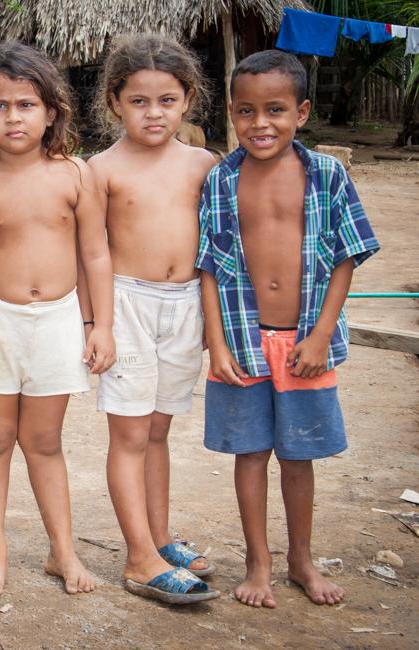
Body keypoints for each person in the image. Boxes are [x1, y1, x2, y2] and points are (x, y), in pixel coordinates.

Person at [197, 50, 379, 608]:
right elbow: (207, 263)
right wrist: (217, 341)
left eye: (275, 110)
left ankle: (302, 559)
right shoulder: (220, 180)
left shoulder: (326, 174)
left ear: (300, 112)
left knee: (298, 457)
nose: (260, 124)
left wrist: (322, 334)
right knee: (249, 454)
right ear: (232, 114)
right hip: (243, 342)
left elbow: (346, 255)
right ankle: (259, 563)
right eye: (246, 112)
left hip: (305, 345)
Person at [0, 41, 115, 597]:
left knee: (44, 442)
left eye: (26, 104)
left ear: (51, 111)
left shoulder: (75, 175)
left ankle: (61, 550)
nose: (13, 117)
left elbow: (95, 254)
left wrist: (101, 325)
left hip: (59, 321)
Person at [87, 34, 220, 605]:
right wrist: (99, 323)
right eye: (138, 100)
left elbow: (216, 251)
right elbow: (91, 252)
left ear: (187, 100)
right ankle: (139, 557)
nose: (153, 112)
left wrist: (215, 326)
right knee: (131, 432)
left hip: (185, 305)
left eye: (166, 100)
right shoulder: (101, 169)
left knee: (160, 430)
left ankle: (161, 538)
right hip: (128, 305)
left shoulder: (203, 164)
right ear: (115, 102)